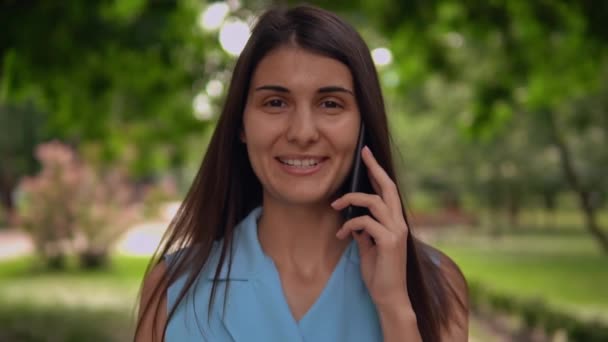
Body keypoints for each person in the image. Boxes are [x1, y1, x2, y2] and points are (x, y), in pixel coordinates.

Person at [135, 4, 468, 342]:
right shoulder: (172, 288)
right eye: (276, 103)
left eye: (330, 104)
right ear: (241, 123)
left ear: (362, 124)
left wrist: (395, 307)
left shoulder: (437, 286)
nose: (303, 132)